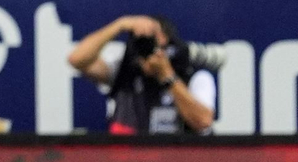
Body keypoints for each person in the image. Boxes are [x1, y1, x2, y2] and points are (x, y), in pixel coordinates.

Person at [69, 14, 218, 134]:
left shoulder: (194, 78)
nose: (149, 54)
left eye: (155, 45)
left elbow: (203, 122)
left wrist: (167, 76)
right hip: (131, 160)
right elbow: (77, 59)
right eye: (143, 46)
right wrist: (120, 25)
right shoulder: (125, 73)